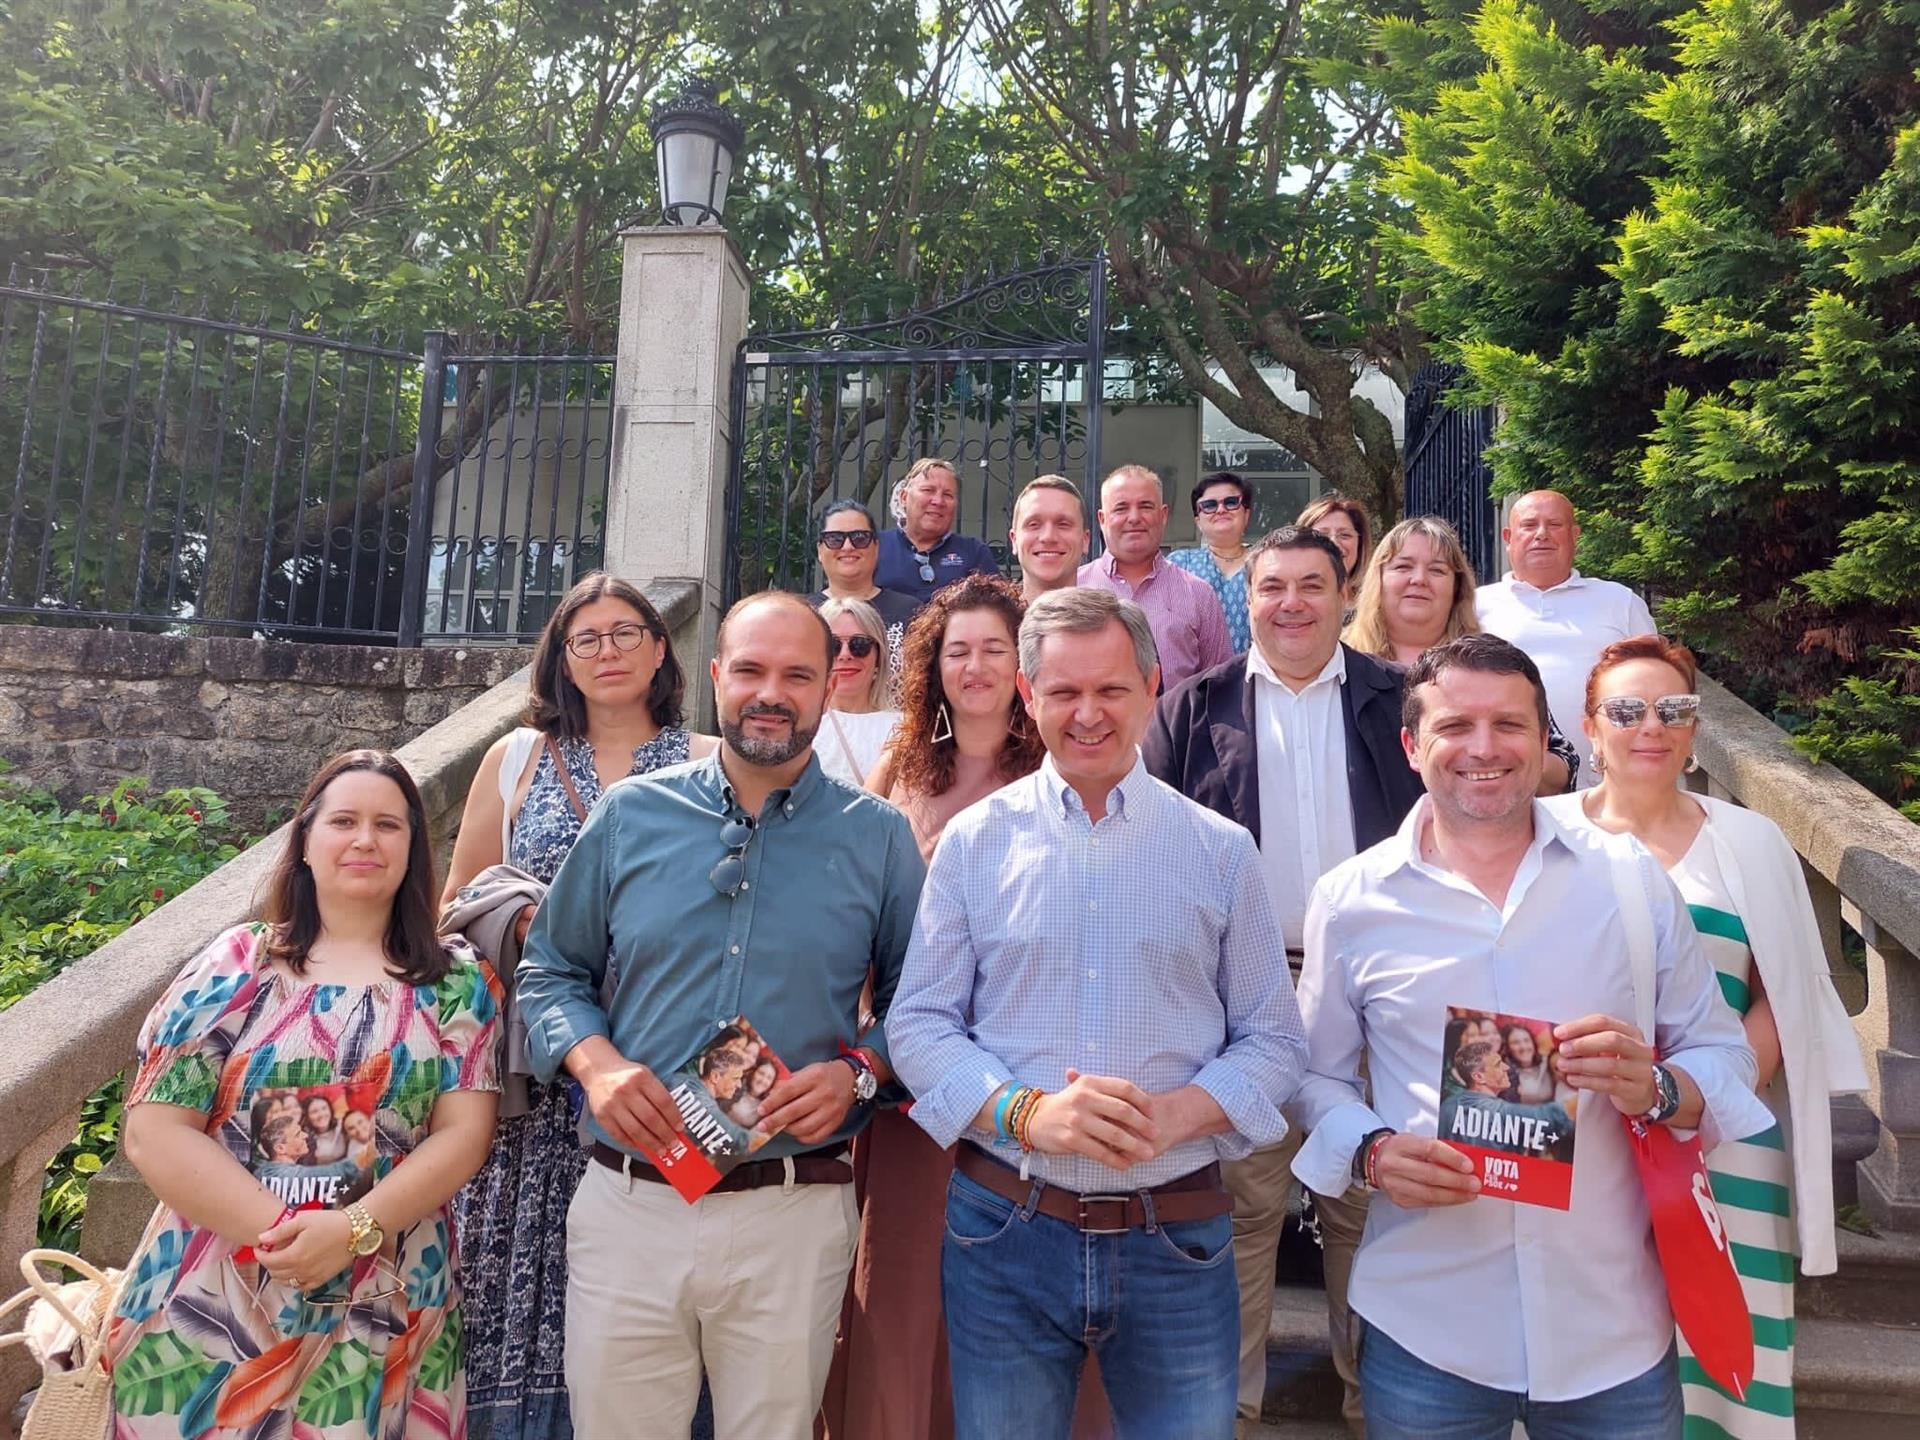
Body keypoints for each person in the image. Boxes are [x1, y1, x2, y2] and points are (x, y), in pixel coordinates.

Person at [1288, 634, 1773, 1439]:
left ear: (1546, 739)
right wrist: (1371, 1150)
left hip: (1611, 1326)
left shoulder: (1628, 877)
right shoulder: (1351, 899)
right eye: (1455, 727)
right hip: (1427, 1322)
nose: (1485, 748)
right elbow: (1313, 1077)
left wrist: (1653, 1085)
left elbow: (1721, 1053)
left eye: (1509, 725)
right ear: (1413, 746)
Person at [890, 586, 1308, 1440]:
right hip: (1004, 1226)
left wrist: (1179, 1115)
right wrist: (1027, 1113)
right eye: (1064, 693)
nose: (1088, 714)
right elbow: (919, 1025)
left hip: (1177, 1234)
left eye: (1111, 690)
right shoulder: (975, 841)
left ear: (1152, 685)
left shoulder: (1220, 851)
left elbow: (1274, 1039)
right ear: (1028, 696)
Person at [517, 589, 924, 1440]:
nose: (770, 692)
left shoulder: (878, 838)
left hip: (791, 1208)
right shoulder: (631, 815)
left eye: (797, 674)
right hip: (632, 1199)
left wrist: (862, 1070)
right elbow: (551, 969)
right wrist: (596, 1064)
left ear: (827, 687)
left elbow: (921, 1006)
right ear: (713, 677)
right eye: (749, 670)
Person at [108, 750, 500, 1437]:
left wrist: (349, 1232)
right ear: (306, 842)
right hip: (215, 1293)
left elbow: (464, 1133)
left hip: (387, 1292)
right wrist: (289, 1240)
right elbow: (153, 1130)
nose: (364, 840)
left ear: (413, 848)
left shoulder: (458, 982)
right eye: (343, 820)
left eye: (388, 825)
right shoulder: (238, 964)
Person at [1544, 634, 1868, 1438]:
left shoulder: (1750, 842)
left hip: (1723, 1144)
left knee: (1730, 1362)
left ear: (1694, 728)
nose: (1650, 725)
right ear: (1590, 726)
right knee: (1579, 1355)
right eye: (1626, 709)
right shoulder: (1543, 833)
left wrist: (1698, 1103)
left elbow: (1789, 993)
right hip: (1581, 1143)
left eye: (1673, 708)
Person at [1143, 525, 1422, 1436]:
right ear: (1248, 599)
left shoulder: (1398, 701)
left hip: (1374, 997)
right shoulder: (1191, 707)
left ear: (1346, 595)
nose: (1292, 603)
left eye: (1312, 584)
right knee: (1246, 1210)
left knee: (1364, 1205)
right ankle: (1231, 1410)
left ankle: (1373, 1403)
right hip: (1240, 1001)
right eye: (1272, 587)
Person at [439, 571, 714, 1440]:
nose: (607, 652)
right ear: (560, 657)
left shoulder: (710, 761)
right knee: (514, 1280)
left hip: (661, 1061)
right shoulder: (513, 759)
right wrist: (530, 918)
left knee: (664, 1284)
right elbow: (456, 909)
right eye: (585, 638)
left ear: (661, 646)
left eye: (626, 632)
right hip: (534, 1069)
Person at [825, 573, 1047, 1440]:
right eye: (959, 650)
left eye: (996, 648)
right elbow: (852, 902)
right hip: (911, 1070)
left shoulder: (1054, 767)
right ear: (933, 664)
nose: (978, 666)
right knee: (905, 1278)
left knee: (1009, 1291)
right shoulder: (902, 765)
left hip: (1023, 1062)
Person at [1345, 515, 1579, 793]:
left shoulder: (1495, 662)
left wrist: (1503, 757)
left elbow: (1564, 763)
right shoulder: (1338, 664)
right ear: (1379, 579)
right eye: (1403, 567)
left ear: (1457, 587)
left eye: (1437, 570)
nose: (1419, 579)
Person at [1474, 489, 1656, 787]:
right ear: (1508, 537)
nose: (1542, 534)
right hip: (1505, 785)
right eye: (1529, 525)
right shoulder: (1475, 606)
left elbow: (1656, 685)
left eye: (1554, 525)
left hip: (1609, 791)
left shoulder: (1620, 602)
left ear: (1575, 535)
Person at [1078, 463, 1233, 689]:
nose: (1134, 518)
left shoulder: (1199, 594)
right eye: (1121, 508)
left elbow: (1222, 686)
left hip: (1177, 725)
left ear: (1163, 515)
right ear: (1102, 519)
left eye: (1145, 507)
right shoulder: (1074, 588)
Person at [812, 499, 923, 673]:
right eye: (834, 539)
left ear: (876, 547)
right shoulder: (803, 613)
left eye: (860, 538)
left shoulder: (910, 612)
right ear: (820, 550)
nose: (848, 547)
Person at [875, 457, 1001, 605]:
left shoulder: (974, 552)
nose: (938, 501)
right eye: (928, 490)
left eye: (948, 495)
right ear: (904, 498)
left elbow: (996, 608)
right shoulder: (875, 547)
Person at [817, 596, 903, 786]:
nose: (845, 655)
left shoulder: (905, 729)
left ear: (879, 656)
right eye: (833, 646)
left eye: (860, 645)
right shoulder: (799, 725)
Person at [1169, 471, 1255, 652]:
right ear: (1198, 521)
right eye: (1209, 505)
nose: (1221, 510)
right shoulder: (1179, 564)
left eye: (1231, 502)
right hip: (1195, 676)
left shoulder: (1266, 561)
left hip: (1256, 674)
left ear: (1246, 514)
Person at [1009, 473, 1090, 602]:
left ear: (1085, 540)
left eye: (1063, 524)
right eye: (1034, 525)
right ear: (1014, 540)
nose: (1048, 537)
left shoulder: (1108, 621)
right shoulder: (987, 622)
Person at [1297, 494, 1374, 616]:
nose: (1334, 543)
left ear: (1360, 546)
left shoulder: (1377, 609)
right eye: (1321, 535)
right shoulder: (1289, 604)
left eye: (1345, 535)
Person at [1502, 1024, 1557, 1105]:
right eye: (1516, 1042)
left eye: (1526, 1040)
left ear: (1533, 1043)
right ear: (1508, 1048)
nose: (1523, 1047)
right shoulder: (1506, 1073)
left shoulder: (1547, 1063)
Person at [304, 1092, 348, 1163]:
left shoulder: (342, 1127)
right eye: (314, 1111)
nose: (321, 1114)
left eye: (324, 1108)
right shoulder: (306, 1139)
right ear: (307, 1117)